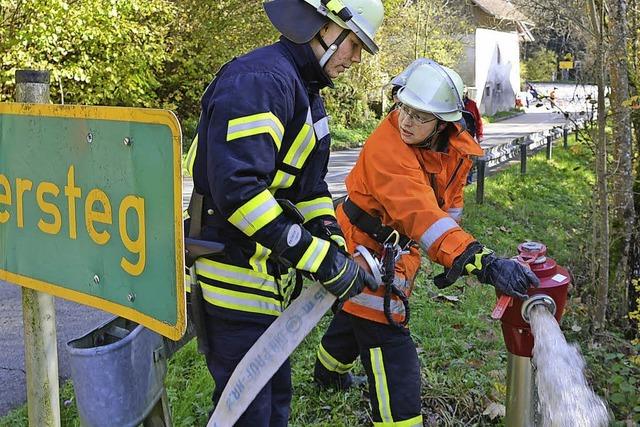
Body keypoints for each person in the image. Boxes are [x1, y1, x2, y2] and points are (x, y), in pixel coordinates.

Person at [187, 0, 384, 425]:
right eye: (353, 45)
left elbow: (309, 188)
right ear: (323, 27)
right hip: (231, 276)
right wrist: (318, 259)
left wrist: (332, 240)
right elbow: (238, 193)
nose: (355, 59)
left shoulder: (305, 91)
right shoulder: (260, 81)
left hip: (266, 276)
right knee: (248, 412)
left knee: (274, 403)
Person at [312, 59, 540, 426]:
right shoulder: (389, 150)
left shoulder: (454, 148)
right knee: (386, 334)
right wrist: (480, 260)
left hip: (396, 247)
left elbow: (447, 212)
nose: (406, 121)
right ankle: (400, 420)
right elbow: (421, 213)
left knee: (356, 312)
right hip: (365, 245)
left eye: (420, 116)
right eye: (404, 108)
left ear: (444, 123)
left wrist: (452, 256)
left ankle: (327, 372)